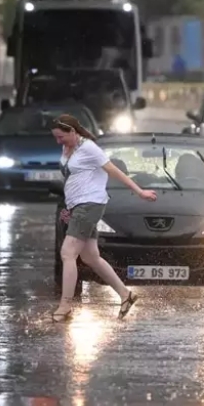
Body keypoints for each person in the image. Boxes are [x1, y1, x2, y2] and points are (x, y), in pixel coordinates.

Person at [51, 114, 157, 323]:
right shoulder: (68, 148)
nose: (58, 141)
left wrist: (140, 191)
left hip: (89, 204)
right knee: (90, 257)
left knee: (67, 253)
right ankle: (125, 295)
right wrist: (68, 206)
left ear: (73, 132)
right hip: (77, 205)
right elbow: (74, 178)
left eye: (61, 137)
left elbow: (114, 171)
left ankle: (65, 306)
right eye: (55, 138)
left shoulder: (89, 148)